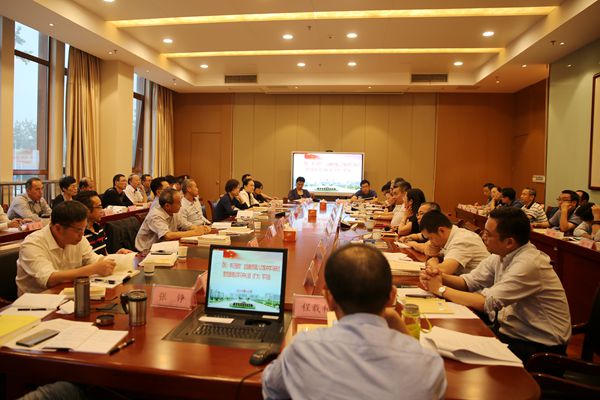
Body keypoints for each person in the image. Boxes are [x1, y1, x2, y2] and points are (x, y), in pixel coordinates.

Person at [262, 244, 447, 400]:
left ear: (329, 299)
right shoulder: (429, 364)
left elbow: (271, 389)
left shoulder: (302, 348)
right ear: (392, 297)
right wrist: (398, 322)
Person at [420, 207, 571, 362]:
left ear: (509, 242)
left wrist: (440, 289)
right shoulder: (500, 255)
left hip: (538, 347)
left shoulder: (528, 264)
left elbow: (487, 303)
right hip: (510, 332)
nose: (483, 237)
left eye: (488, 234)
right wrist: (439, 276)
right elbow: (469, 282)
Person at [16, 201, 116, 295]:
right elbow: (50, 279)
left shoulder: (78, 239)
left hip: (68, 294)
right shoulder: (32, 244)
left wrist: (118, 258)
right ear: (58, 228)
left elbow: (95, 260)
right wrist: (93, 269)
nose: (82, 235)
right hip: (37, 301)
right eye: (78, 230)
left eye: (84, 229)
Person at [135, 188, 210, 252]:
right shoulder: (155, 215)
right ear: (167, 206)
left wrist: (199, 228)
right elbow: (167, 235)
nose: (181, 205)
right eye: (178, 203)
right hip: (146, 251)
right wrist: (194, 232)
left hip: (164, 245)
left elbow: (184, 224)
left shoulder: (174, 211)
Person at [420, 210, 490, 275]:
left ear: (441, 230)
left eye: (431, 238)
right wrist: (435, 256)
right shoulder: (451, 235)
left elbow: (443, 271)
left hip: (481, 283)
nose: (431, 242)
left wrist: (433, 261)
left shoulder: (462, 240)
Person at [74, 191, 133, 255]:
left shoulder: (99, 228)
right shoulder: (79, 235)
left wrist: (117, 254)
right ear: (86, 210)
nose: (102, 211)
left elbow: (105, 255)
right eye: (99, 207)